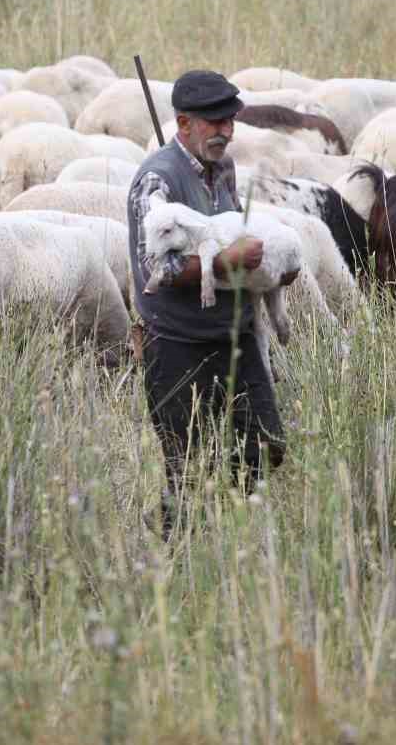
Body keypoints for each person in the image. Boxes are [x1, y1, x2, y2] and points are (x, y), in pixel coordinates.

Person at [126, 69, 291, 537]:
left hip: (233, 334)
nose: (226, 131)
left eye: (230, 121)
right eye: (214, 122)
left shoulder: (225, 169)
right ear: (183, 124)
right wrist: (223, 264)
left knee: (267, 442)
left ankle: (228, 527)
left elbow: (229, 236)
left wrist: (271, 269)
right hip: (178, 343)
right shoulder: (156, 180)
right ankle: (172, 549)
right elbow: (154, 268)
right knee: (186, 467)